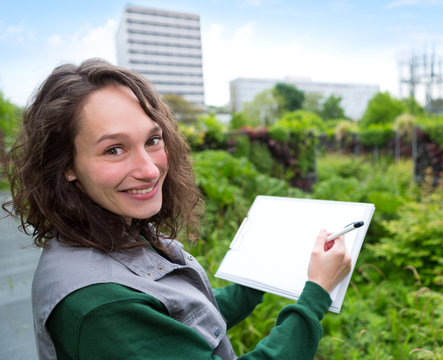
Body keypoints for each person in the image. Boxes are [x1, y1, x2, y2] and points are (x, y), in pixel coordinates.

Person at [3, 59, 352, 360]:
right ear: (67, 165)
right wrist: (315, 295)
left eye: (153, 140)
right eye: (114, 150)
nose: (150, 169)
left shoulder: (111, 230)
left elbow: (185, 322)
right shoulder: (102, 304)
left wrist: (256, 281)